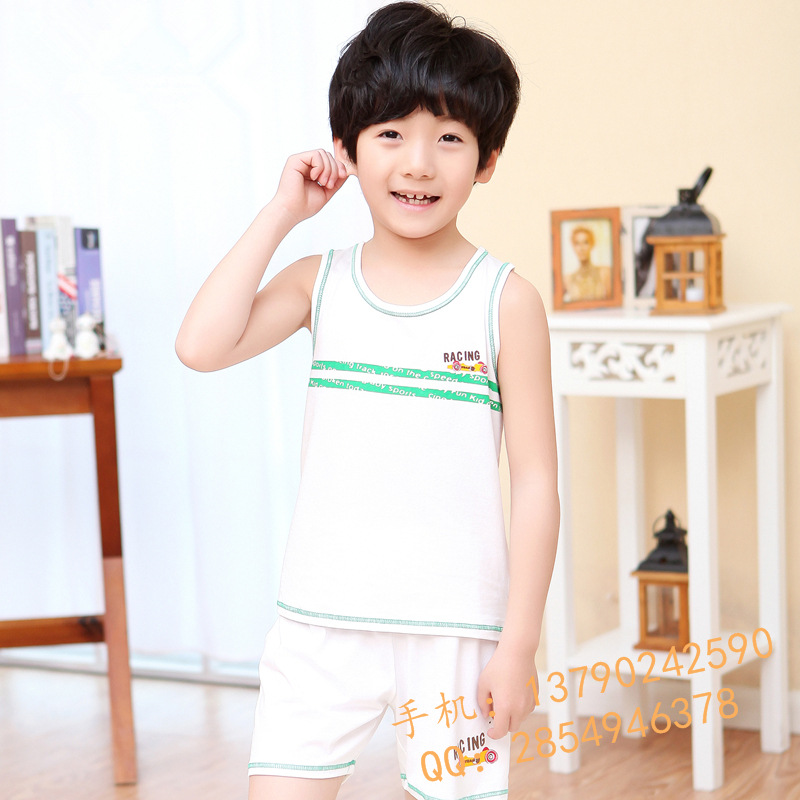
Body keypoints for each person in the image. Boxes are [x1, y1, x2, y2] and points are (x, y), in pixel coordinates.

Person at [175, 3, 559, 799]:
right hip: (320, 624)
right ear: (346, 149)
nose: (418, 163)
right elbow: (201, 347)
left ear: (487, 160)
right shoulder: (319, 284)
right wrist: (283, 212)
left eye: (449, 138)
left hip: (458, 633)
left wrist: (518, 645)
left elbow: (536, 481)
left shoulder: (506, 302)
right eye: (390, 133)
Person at [563, 225, 612, 302]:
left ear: (592, 244)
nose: (581, 248)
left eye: (585, 242)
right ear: (573, 247)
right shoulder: (568, 279)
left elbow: (612, 303)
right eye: (577, 243)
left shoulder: (605, 272)